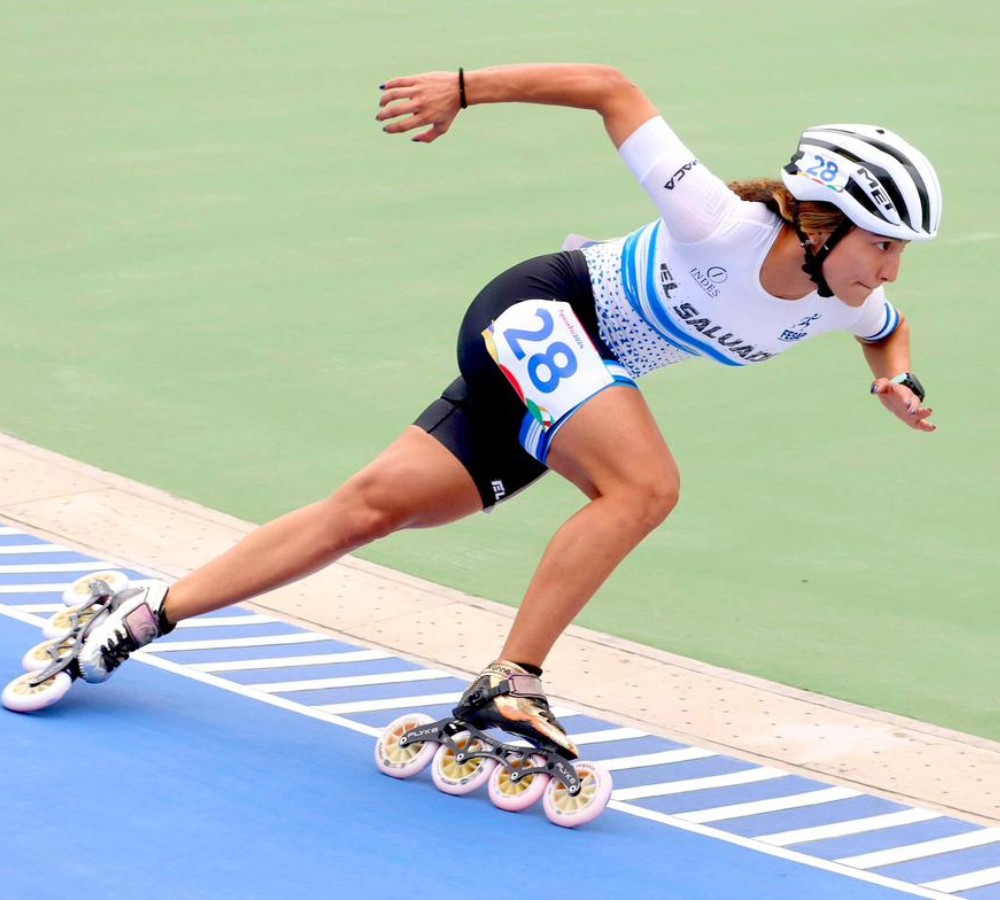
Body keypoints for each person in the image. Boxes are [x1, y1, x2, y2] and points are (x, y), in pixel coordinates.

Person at [77, 63, 941, 760]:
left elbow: (887, 332)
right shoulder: (714, 222)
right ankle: (513, 678)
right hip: (540, 315)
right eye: (883, 244)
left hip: (570, 388)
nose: (891, 269)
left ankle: (148, 609)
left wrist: (888, 380)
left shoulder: (843, 297)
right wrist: (461, 89)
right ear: (823, 223)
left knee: (368, 511)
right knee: (644, 487)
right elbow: (612, 88)